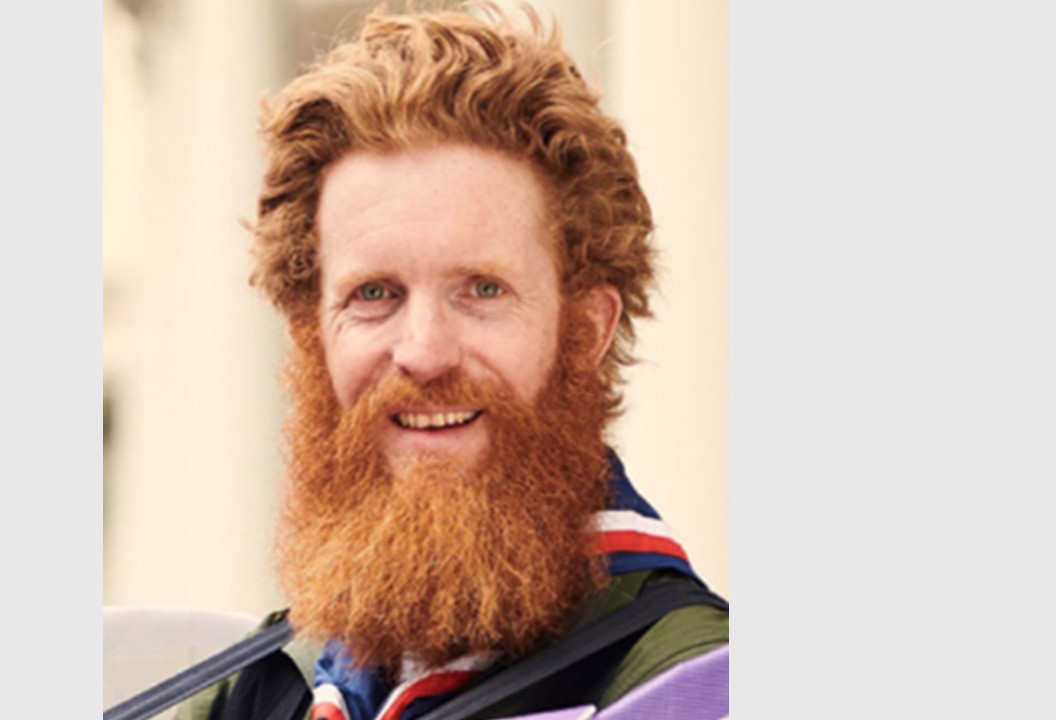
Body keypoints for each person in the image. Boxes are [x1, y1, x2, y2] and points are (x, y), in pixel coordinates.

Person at [175, 4, 727, 718]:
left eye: (482, 290)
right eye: (373, 294)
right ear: (314, 336)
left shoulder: (696, 685)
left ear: (586, 330)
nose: (424, 353)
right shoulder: (264, 686)